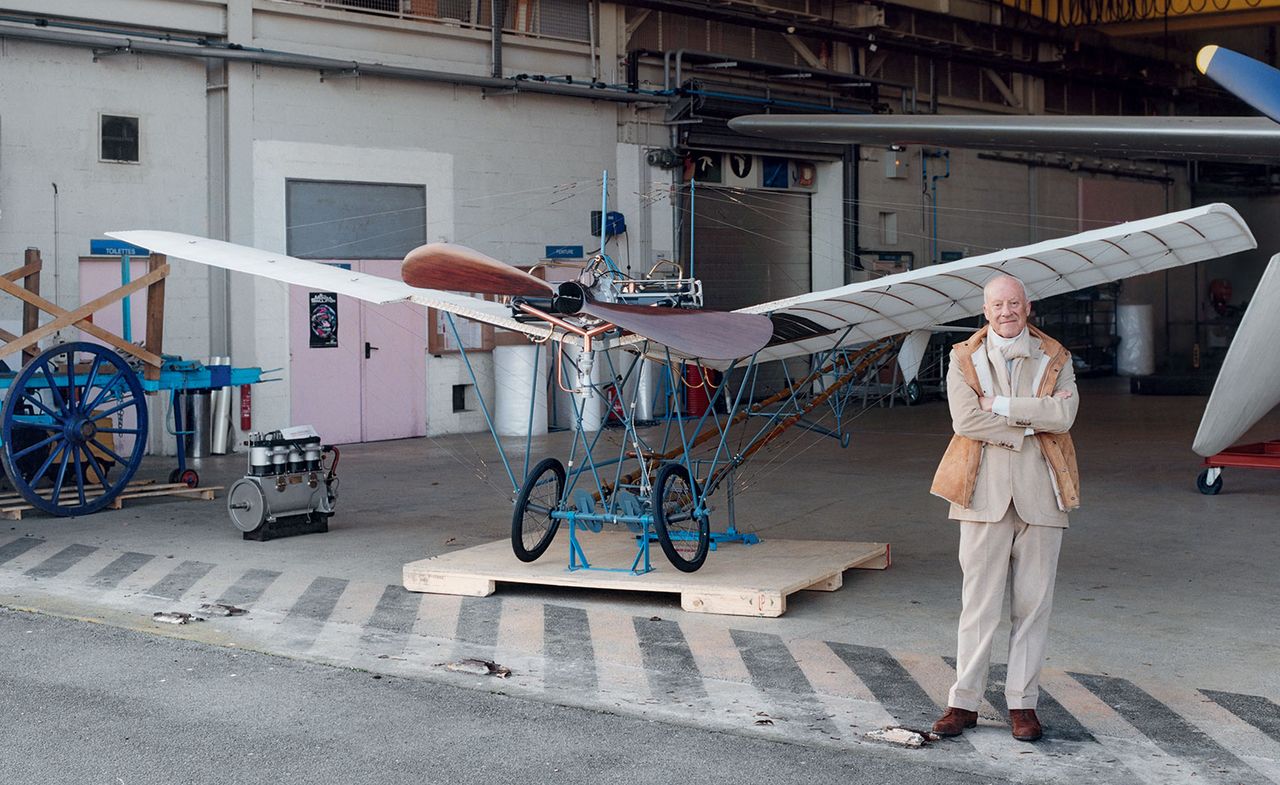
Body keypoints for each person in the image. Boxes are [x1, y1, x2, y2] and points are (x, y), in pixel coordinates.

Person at [928, 273, 1080, 743]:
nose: (1007, 312)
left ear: (1027, 306)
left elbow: (1064, 416)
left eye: (1014, 303)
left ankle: (1023, 705)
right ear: (985, 309)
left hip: (1043, 496)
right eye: (998, 305)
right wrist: (1027, 423)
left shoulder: (1056, 356)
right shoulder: (962, 358)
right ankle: (964, 702)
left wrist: (1002, 405)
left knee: (1034, 606)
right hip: (981, 495)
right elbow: (965, 419)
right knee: (978, 605)